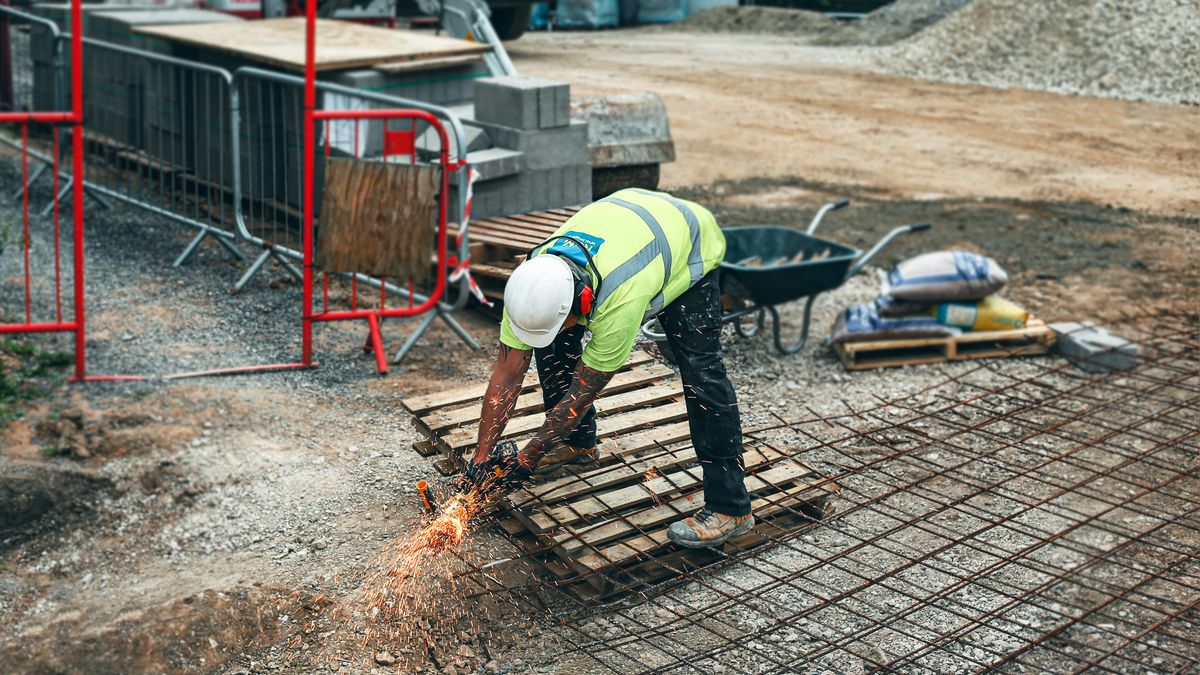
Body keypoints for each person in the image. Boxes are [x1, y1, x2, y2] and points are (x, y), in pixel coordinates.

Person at [459, 188, 752, 548]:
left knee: (701, 372)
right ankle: (578, 445)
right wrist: (481, 456)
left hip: (690, 242)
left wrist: (528, 456)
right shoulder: (532, 282)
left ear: (584, 303)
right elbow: (507, 375)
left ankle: (731, 506)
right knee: (551, 343)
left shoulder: (620, 298)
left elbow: (583, 392)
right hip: (631, 221)